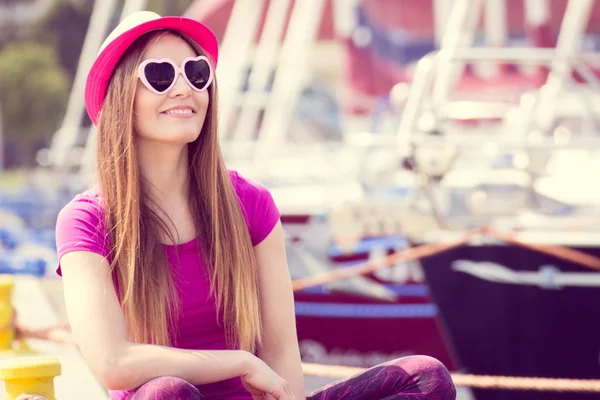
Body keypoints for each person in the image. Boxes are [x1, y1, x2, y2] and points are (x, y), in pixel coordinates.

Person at [49, 11, 457, 400]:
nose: (184, 88)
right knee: (166, 392)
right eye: (158, 75)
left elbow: (281, 351)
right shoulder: (87, 220)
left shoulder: (250, 204)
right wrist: (239, 363)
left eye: (196, 73)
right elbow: (112, 362)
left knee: (425, 378)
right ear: (121, 97)